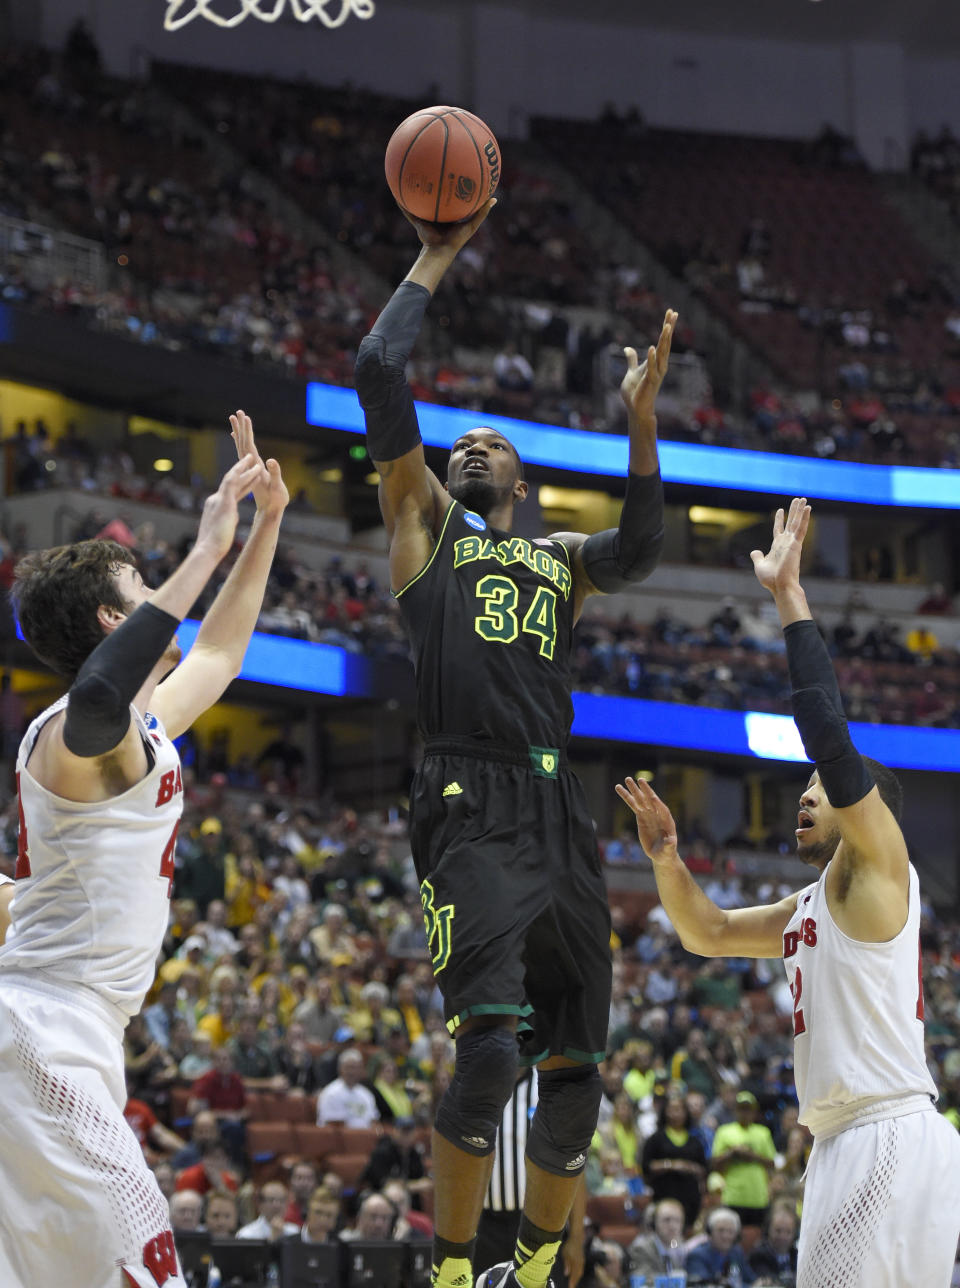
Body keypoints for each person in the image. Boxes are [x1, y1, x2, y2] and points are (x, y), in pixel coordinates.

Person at [354, 198, 674, 1288]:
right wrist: (435, 255)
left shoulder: (562, 559)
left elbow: (637, 548)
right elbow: (375, 367)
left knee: (579, 1064)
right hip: (468, 796)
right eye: (461, 443)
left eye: (493, 442)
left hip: (559, 809)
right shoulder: (423, 525)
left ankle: (534, 1270)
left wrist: (639, 419)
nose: (472, 444)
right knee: (490, 1053)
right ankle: (450, 1271)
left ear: (524, 481)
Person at [616, 496, 960, 1288]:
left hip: (887, 1132)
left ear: (865, 812)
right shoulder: (812, 908)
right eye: (803, 786)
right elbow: (706, 932)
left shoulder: (880, 870)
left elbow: (832, 741)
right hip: (850, 1140)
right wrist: (667, 858)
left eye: (819, 788)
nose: (805, 795)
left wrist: (787, 596)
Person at [0, 412, 287, 1288]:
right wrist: (204, 549)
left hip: (77, 1028)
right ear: (109, 618)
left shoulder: (145, 730)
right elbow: (98, 691)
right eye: (147, 586)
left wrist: (265, 524)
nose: (172, 595)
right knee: (141, 1248)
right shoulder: (78, 735)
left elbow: (226, 649)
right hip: (40, 1024)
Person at [710, 1090, 776, 1228]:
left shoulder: (763, 1132)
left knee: (756, 1233)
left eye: (748, 1109)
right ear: (735, 1110)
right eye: (741, 1109)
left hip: (757, 1196)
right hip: (733, 1195)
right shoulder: (724, 1131)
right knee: (731, 1232)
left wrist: (752, 1155)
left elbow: (772, 1163)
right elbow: (714, 1163)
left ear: (754, 1111)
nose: (745, 1113)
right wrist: (732, 1152)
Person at [685, 1207, 757, 1285]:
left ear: (736, 1235)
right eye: (720, 1230)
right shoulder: (697, 1255)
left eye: (730, 1231)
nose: (725, 1236)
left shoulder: (736, 1252)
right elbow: (703, 1284)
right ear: (710, 1232)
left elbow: (752, 1280)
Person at [627, 1197, 687, 1282]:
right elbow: (643, 1280)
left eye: (677, 1220)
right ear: (654, 1223)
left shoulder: (679, 1248)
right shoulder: (641, 1248)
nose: (673, 1226)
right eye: (667, 1220)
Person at [317, 1046, 380, 1127]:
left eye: (356, 1068)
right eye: (348, 1067)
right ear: (340, 1069)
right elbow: (334, 1126)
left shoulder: (366, 1094)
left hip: (365, 1137)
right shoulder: (331, 1093)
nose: (352, 1072)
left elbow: (374, 1122)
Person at [749, 1199, 799, 1286]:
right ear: (768, 1230)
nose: (782, 1236)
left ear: (795, 1234)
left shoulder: (797, 1255)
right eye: (778, 1231)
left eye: (788, 1232)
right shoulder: (758, 1255)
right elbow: (770, 1280)